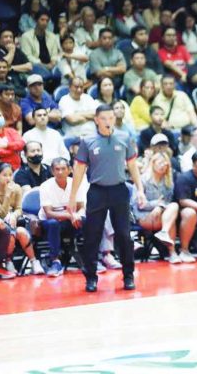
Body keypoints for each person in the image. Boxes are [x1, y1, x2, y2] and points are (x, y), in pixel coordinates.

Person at [70, 104, 146, 293]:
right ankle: (91, 278)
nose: (107, 122)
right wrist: (73, 197)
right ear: (96, 120)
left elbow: (133, 166)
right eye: (103, 118)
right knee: (92, 236)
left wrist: (140, 189)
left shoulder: (125, 137)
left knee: (124, 235)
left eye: (110, 118)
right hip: (97, 191)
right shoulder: (87, 142)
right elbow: (79, 170)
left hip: (119, 191)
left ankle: (128, 275)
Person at [38, 157, 86, 277]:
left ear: (69, 170)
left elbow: (81, 207)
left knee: (89, 220)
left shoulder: (76, 183)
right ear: (52, 171)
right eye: (57, 169)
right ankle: (55, 260)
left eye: (63, 169)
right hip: (49, 222)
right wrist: (70, 216)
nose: (60, 172)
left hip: (70, 220)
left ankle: (92, 258)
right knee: (53, 223)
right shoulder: (45, 186)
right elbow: (49, 213)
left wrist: (77, 216)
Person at [132, 152, 180, 264]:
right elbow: (139, 204)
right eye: (160, 163)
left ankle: (164, 233)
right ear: (152, 164)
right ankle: (172, 252)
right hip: (144, 216)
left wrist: (160, 206)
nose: (163, 166)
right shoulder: (142, 180)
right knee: (170, 218)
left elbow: (167, 202)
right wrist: (157, 205)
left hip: (161, 216)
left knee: (173, 208)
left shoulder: (168, 182)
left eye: (166, 164)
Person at [0, 163, 44, 276]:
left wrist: (14, 215)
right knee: (12, 233)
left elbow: (19, 208)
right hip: (1, 222)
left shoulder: (17, 188)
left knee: (21, 232)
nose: (8, 178)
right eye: (4, 175)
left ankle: (34, 262)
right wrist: (8, 195)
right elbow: (1, 213)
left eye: (10, 175)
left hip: (13, 221)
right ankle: (8, 261)